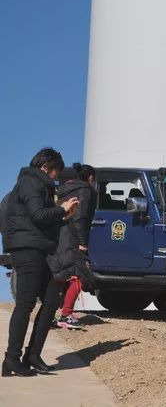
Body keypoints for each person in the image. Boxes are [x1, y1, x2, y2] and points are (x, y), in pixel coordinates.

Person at [2, 148, 79, 376]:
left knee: (50, 301)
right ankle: (11, 360)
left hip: (39, 247)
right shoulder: (30, 182)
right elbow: (37, 215)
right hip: (27, 249)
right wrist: (61, 209)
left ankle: (32, 354)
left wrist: (64, 215)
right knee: (25, 305)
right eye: (56, 171)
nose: (57, 176)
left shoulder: (40, 185)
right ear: (46, 167)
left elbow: (41, 220)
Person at [48, 163, 97, 329]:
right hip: (73, 238)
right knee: (79, 274)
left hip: (59, 236)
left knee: (62, 274)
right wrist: (83, 242)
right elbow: (80, 218)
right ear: (90, 178)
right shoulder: (85, 191)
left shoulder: (62, 190)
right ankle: (67, 314)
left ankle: (49, 314)